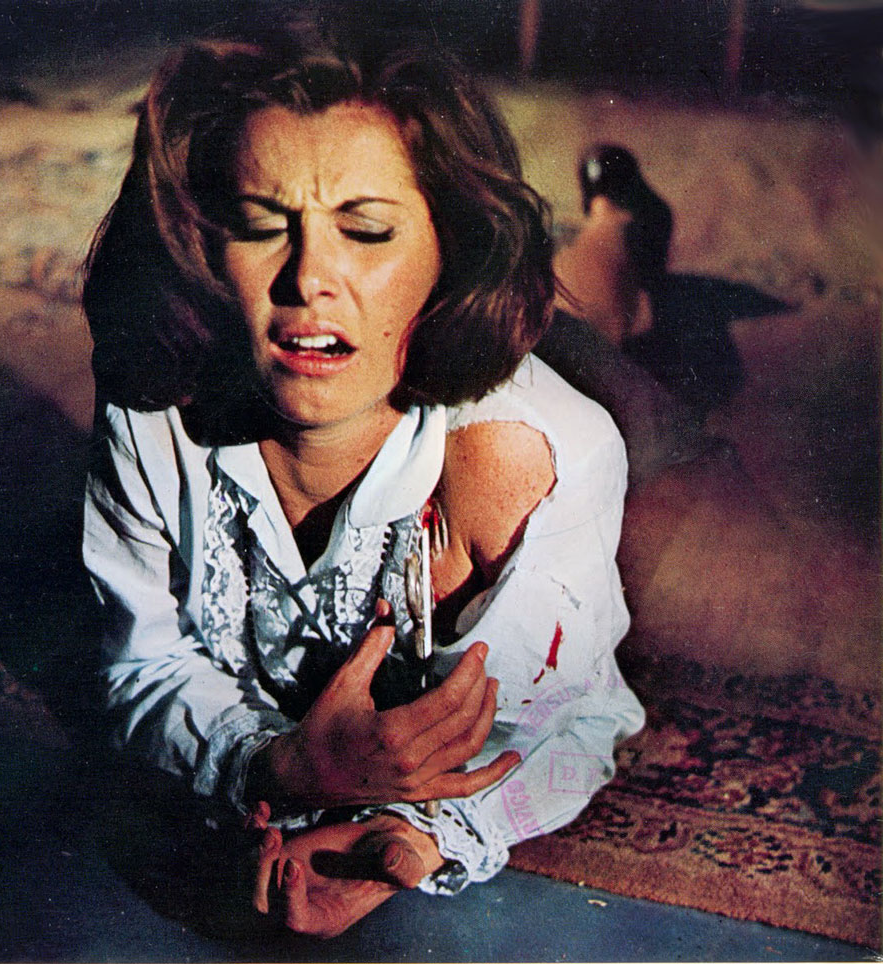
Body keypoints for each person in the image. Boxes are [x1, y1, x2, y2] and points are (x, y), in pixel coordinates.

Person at [81, 16, 645, 939]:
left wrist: (418, 836)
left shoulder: (533, 460)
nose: (310, 278)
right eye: (261, 226)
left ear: (448, 247)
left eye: (367, 230)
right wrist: (279, 768)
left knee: (606, 316)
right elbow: (140, 663)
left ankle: (621, 222)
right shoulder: (155, 409)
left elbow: (581, 726)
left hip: (541, 390)